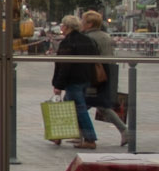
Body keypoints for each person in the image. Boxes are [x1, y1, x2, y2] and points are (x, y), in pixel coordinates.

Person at [53, 15, 103, 149]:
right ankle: (57, 136)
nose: (61, 28)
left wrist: (58, 85)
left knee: (80, 109)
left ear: (67, 27)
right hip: (86, 79)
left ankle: (90, 139)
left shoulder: (67, 43)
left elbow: (64, 66)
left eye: (62, 25)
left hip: (73, 81)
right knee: (67, 108)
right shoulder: (88, 40)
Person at [82, 11, 127, 145]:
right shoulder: (105, 36)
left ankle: (125, 131)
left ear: (89, 24)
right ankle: (80, 133)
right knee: (95, 104)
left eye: (83, 21)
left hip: (96, 75)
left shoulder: (89, 38)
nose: (81, 24)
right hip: (108, 71)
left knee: (85, 104)